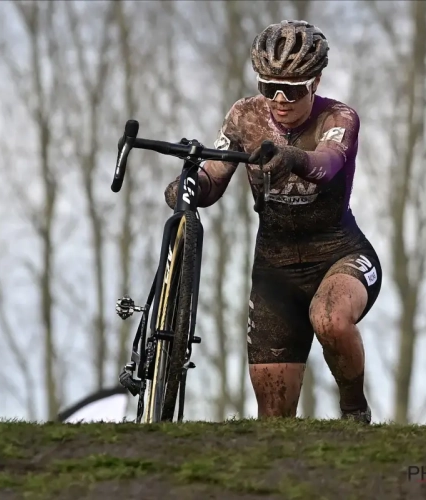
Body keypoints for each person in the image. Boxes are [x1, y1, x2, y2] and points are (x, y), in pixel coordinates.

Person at [163, 20, 382, 424]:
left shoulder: (338, 117)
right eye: (269, 86)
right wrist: (190, 185)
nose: (280, 99)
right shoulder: (245, 116)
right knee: (274, 421)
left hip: (338, 254)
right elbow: (216, 174)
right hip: (275, 270)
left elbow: (328, 163)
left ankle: (354, 410)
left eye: (293, 89)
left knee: (329, 318)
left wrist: (293, 158)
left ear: (315, 82)